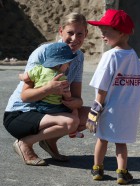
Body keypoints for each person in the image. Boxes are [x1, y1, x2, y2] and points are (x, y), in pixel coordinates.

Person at [3, 12, 89, 165]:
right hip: (22, 112)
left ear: (86, 34)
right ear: (61, 31)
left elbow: (77, 99)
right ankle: (25, 143)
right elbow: (25, 96)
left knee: (92, 116)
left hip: (51, 110)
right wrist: (48, 89)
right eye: (70, 32)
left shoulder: (79, 57)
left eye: (80, 34)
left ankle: (49, 140)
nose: (74, 38)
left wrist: (71, 102)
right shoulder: (44, 52)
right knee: (70, 122)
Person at [86, 9, 140, 184]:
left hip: (109, 107)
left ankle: (97, 169)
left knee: (102, 138)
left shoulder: (110, 56)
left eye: (106, 31)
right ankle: (122, 172)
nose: (102, 35)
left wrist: (96, 108)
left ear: (122, 32)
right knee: (120, 142)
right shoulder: (134, 56)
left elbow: (102, 86)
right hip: (128, 109)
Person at [19, 42, 84, 138]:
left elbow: (25, 77)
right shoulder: (62, 78)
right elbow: (67, 95)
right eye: (68, 63)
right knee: (74, 111)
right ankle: (73, 130)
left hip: (39, 106)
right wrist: (68, 98)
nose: (68, 66)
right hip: (54, 107)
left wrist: (20, 76)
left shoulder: (38, 69)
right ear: (61, 64)